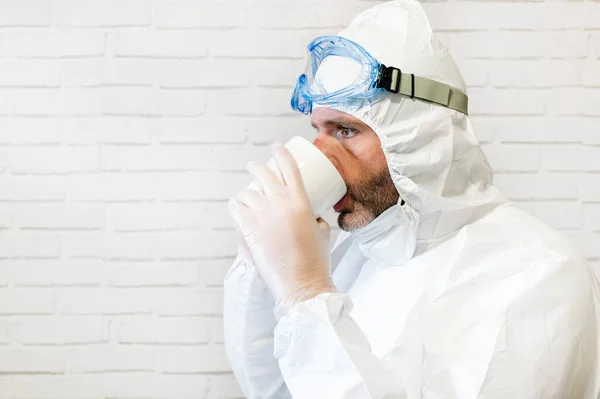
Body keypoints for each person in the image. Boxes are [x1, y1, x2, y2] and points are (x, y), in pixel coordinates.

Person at [223, 1, 600, 398]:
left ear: (417, 139)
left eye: (345, 131)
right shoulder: (352, 254)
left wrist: (306, 294)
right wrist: (264, 270)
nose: (320, 152)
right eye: (318, 130)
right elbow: (275, 390)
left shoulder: (539, 273)